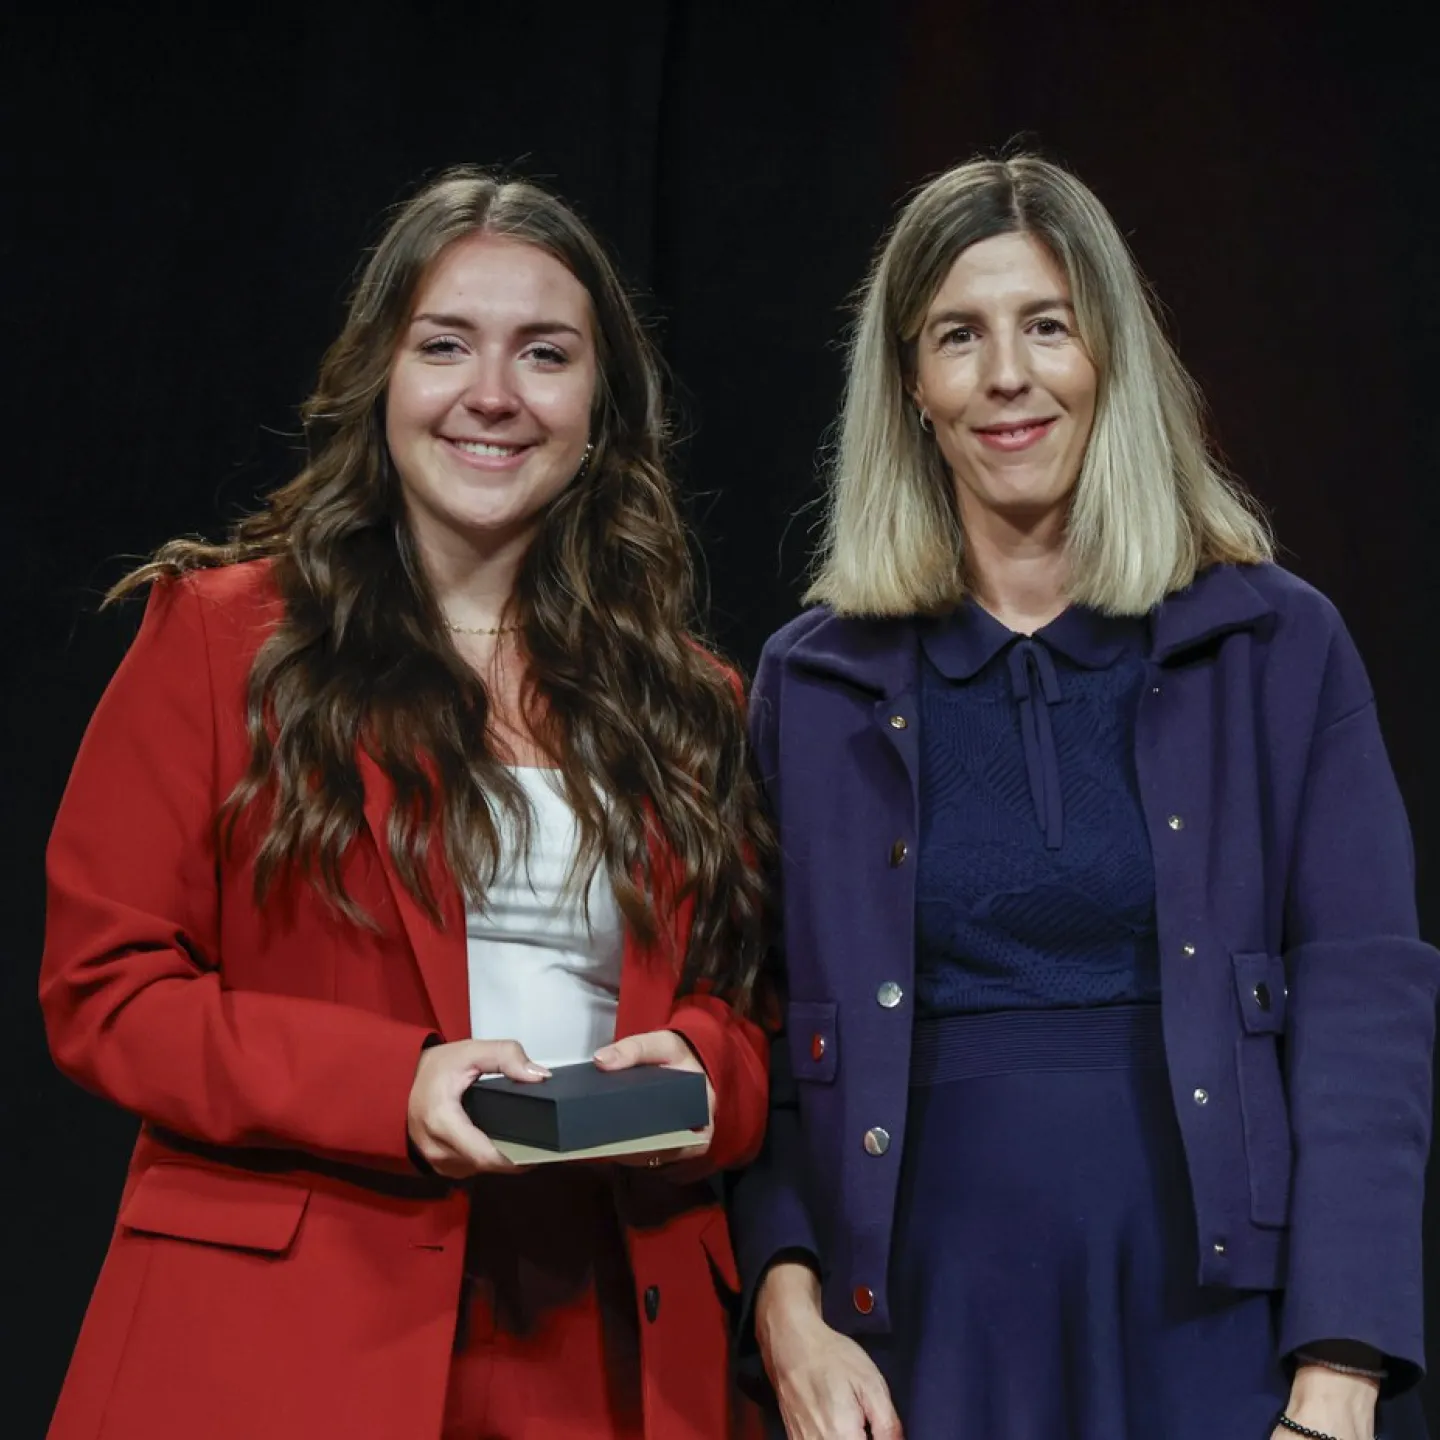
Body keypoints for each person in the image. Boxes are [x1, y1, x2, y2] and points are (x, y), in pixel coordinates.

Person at [41, 167, 771, 1440]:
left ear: (601, 407)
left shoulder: (694, 698)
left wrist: (708, 1073)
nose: (493, 394)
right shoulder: (224, 641)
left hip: (604, 1338)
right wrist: (397, 1084)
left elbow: (754, 1008)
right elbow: (105, 990)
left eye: (545, 354)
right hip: (296, 1337)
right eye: (446, 346)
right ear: (383, 376)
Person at [727, 154, 1437, 1440]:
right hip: (909, 1349)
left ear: (1110, 356)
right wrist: (790, 1318)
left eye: (1047, 325)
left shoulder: (1274, 646)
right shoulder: (813, 681)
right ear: (910, 387)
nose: (1009, 374)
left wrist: (1340, 1376)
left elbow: (1365, 1013)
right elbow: (751, 1035)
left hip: (1224, 1338)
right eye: (960, 336)